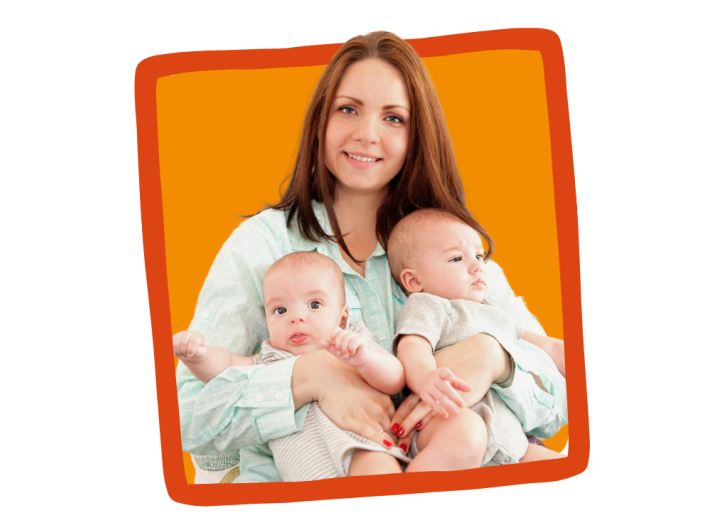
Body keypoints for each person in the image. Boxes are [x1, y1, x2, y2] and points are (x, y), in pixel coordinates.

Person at [176, 31, 557, 484]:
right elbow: (186, 416)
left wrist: (493, 357)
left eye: (394, 118)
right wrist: (309, 377)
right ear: (321, 119)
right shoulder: (262, 244)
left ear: (418, 135)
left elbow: (561, 394)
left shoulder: (448, 242)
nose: (367, 134)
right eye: (348, 109)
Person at [173, 252, 409, 480]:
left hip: (364, 445)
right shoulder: (270, 359)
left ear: (343, 317)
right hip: (304, 471)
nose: (295, 317)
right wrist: (199, 356)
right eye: (280, 310)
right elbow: (225, 367)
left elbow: (396, 379)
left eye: (314, 305)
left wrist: (366, 361)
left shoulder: (351, 342)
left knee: (380, 472)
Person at [386, 208, 567, 471]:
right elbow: (413, 344)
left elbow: (547, 345)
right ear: (414, 280)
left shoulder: (495, 311)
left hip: (510, 440)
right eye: (457, 258)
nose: (477, 266)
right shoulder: (430, 305)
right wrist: (425, 377)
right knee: (463, 437)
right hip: (448, 420)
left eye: (479, 256)